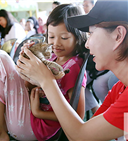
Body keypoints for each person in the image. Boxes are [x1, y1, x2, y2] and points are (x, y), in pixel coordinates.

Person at [15, 0, 128, 140]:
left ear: (118, 35)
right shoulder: (120, 89)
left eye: (91, 33)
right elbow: (85, 132)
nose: (86, 44)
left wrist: (47, 81)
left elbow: (80, 136)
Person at [0, 4, 87, 141]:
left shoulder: (74, 67)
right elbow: (29, 86)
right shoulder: (52, 58)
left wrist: (38, 112)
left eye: (64, 38)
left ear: (78, 37)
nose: (56, 43)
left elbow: (78, 115)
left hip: (36, 127)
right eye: (51, 37)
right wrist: (26, 61)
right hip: (29, 115)